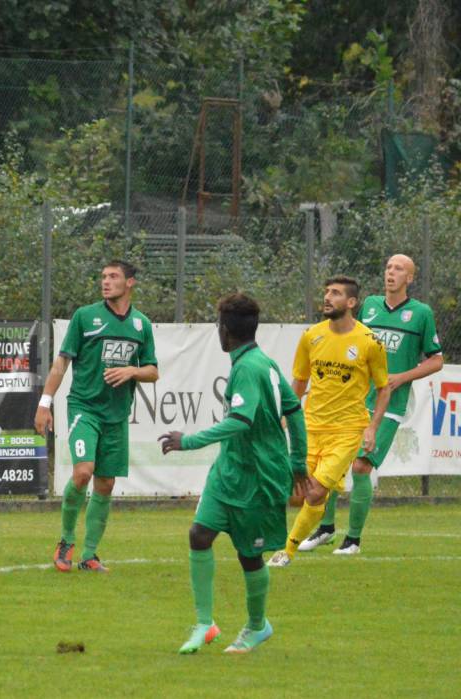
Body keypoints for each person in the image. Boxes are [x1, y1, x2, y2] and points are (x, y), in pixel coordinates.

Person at [159, 293, 307, 654]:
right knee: (199, 534)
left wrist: (188, 441)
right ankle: (204, 624)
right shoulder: (262, 362)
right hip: (228, 472)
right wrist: (299, 460)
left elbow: (240, 421)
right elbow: (295, 410)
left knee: (249, 555)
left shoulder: (250, 368)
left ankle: (258, 626)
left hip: (258, 477)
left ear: (224, 330)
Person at [299, 255, 442, 555]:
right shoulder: (370, 306)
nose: (391, 273)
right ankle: (325, 529)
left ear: (410, 278)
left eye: (399, 269)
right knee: (331, 465)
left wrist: (402, 376)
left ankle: (353, 539)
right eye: (389, 267)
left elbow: (436, 360)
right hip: (352, 401)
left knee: (361, 466)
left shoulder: (420, 314)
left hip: (389, 404)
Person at [35, 261, 159, 573]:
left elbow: (153, 371)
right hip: (84, 408)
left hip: (116, 416)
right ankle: (65, 541)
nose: (105, 282)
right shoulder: (85, 317)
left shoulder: (141, 325)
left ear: (129, 283)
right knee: (83, 473)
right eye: (103, 276)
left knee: (105, 483)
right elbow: (61, 363)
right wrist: (45, 403)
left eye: (113, 277)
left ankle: (89, 555)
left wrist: (132, 370)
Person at [268, 277, 390, 568]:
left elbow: (384, 388)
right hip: (311, 426)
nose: (327, 297)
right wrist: (286, 417)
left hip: (347, 431)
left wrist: (372, 428)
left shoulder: (369, 342)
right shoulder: (312, 336)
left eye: (335, 293)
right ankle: (305, 532)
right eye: (325, 292)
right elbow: (299, 381)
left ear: (351, 303)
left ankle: (287, 551)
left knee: (317, 491)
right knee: (295, 494)